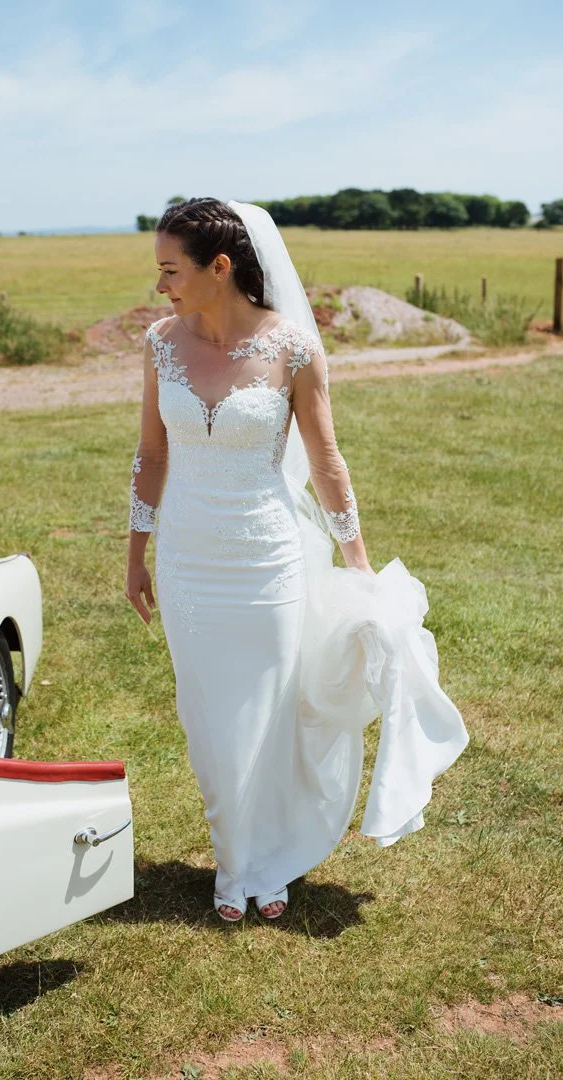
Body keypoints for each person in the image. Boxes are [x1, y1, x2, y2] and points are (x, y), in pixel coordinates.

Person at [125, 197, 468, 923]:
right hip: (189, 561)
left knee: (272, 713)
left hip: (268, 560)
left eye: (170, 270)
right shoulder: (159, 343)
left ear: (220, 268)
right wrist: (136, 554)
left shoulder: (292, 347)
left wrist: (359, 564)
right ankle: (232, 860)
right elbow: (151, 454)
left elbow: (326, 460)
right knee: (209, 718)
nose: (160, 286)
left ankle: (270, 861)